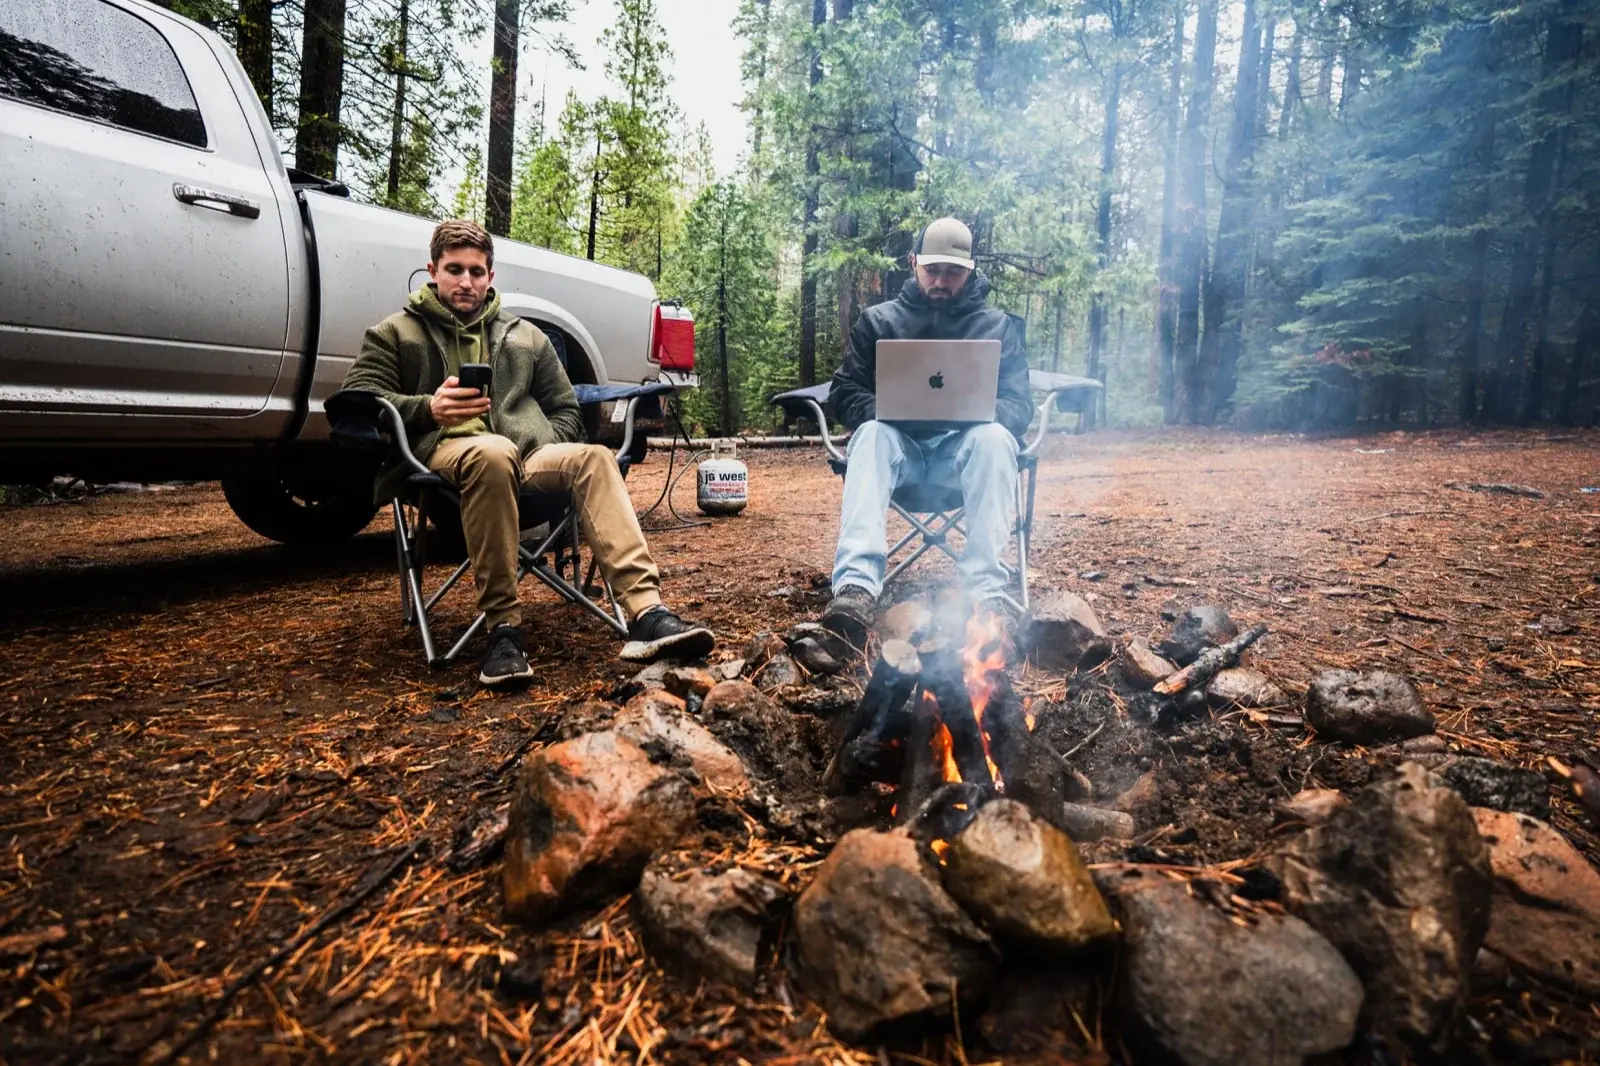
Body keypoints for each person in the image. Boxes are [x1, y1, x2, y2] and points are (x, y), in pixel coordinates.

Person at [344, 220, 714, 685]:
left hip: (526, 458)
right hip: (440, 457)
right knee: (492, 453)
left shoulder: (525, 336)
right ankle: (503, 630)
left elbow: (565, 408)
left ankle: (646, 613)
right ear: (432, 271)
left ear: (490, 276)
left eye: (476, 271)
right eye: (454, 269)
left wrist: (544, 444)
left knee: (595, 458)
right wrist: (428, 408)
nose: (466, 281)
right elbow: (358, 401)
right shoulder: (395, 333)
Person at [821, 217, 1032, 641]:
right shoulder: (878, 322)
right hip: (902, 459)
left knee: (993, 439)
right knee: (872, 435)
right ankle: (856, 586)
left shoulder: (996, 327)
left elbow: (1019, 405)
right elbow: (844, 393)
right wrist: (891, 410)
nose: (941, 281)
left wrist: (978, 414)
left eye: (953, 272)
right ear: (912, 262)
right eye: (932, 270)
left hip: (962, 459)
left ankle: (985, 591)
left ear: (970, 271)